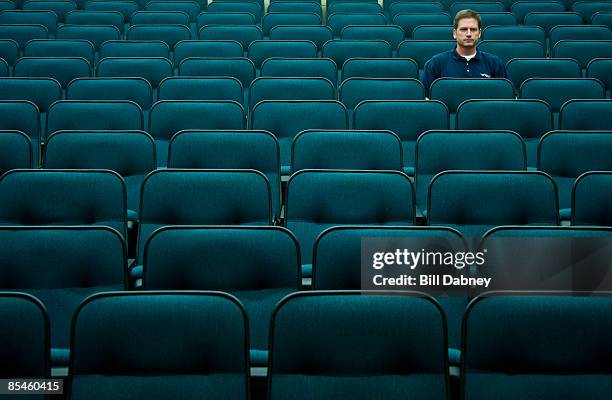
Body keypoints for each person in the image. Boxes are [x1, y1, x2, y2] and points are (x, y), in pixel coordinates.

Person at [421, 9, 507, 91]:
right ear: (454, 33)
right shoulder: (436, 63)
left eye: (473, 30)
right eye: (463, 29)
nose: (469, 34)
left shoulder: (495, 63)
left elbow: (507, 94)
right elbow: (426, 98)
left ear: (480, 33)